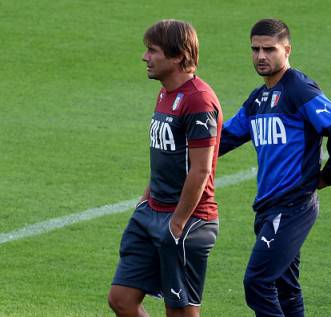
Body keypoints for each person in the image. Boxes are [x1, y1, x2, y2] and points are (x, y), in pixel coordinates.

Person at [219, 18, 331, 317]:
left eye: (269, 49)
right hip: (268, 207)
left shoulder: (299, 90)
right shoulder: (258, 100)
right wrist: (184, 150)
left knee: (257, 282)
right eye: (255, 49)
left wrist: (329, 176)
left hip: (293, 205)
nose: (261, 56)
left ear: (287, 49)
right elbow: (224, 139)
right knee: (285, 289)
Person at [108, 19, 222, 317]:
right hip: (152, 212)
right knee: (121, 299)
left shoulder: (198, 100)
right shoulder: (166, 93)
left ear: (178, 56)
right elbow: (165, 159)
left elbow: (201, 170)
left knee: (180, 312)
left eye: (152, 51)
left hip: (188, 220)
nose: (145, 57)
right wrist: (145, 200)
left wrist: (178, 222)